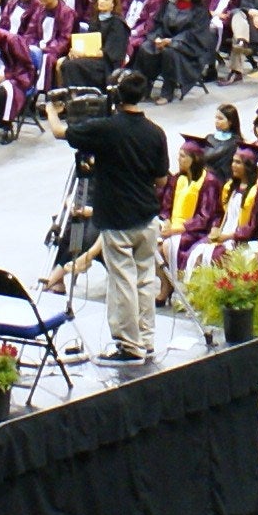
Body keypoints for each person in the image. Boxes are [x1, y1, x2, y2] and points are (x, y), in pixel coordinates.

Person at [59, 72, 170, 364]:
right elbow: (161, 180)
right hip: (147, 218)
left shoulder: (107, 129)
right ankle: (145, 341)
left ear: (117, 97)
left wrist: (48, 109)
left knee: (122, 280)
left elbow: (61, 132)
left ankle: (129, 347)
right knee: (145, 280)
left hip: (118, 220)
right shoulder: (156, 132)